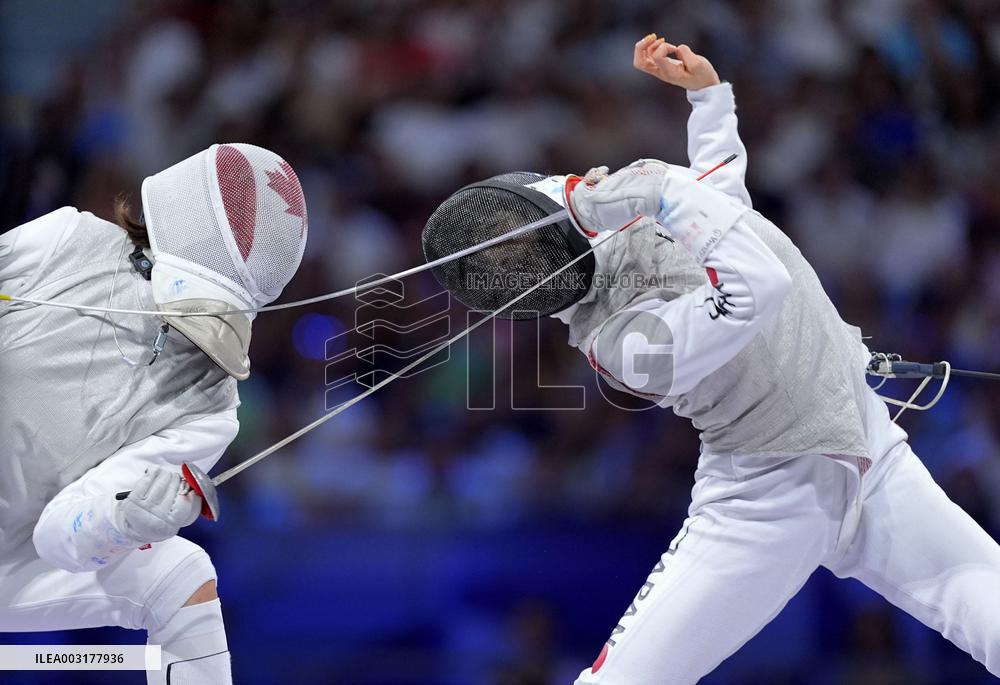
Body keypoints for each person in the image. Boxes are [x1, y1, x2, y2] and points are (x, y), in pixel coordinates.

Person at [423, 35, 1000, 684]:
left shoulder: (643, 228)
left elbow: (722, 202)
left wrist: (708, 100)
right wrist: (659, 185)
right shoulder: (621, 341)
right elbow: (757, 284)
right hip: (763, 504)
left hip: (873, 458)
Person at [0, 142, 308, 684]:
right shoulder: (65, 243)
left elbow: (59, 537)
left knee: (181, 574)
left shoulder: (213, 407)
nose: (197, 341)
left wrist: (119, 522)